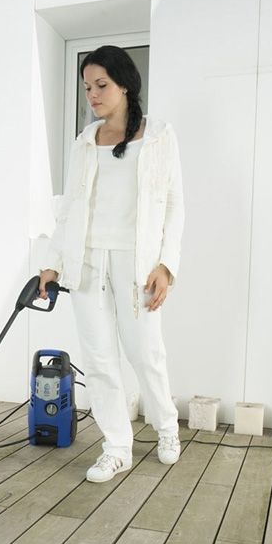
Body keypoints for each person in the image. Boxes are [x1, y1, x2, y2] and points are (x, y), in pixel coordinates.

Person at [38, 45, 184, 483]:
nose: (93, 95)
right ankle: (117, 447)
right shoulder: (85, 142)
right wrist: (52, 264)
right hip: (87, 262)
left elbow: (175, 205)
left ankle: (167, 427)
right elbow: (69, 208)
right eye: (87, 88)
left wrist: (166, 265)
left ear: (125, 85)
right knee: (100, 360)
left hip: (137, 263)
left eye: (101, 85)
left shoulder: (159, 135)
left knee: (146, 353)